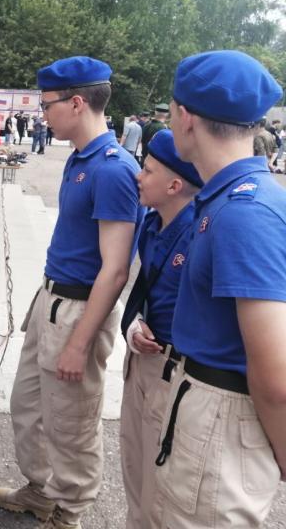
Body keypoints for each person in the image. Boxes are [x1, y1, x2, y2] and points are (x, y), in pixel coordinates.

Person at [0, 56, 144, 529]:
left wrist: (80, 342)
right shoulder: (81, 159)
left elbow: (116, 269)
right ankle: (42, 491)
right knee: (30, 407)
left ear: (77, 103)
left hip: (79, 309)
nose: (43, 114)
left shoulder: (114, 170)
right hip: (52, 299)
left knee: (72, 422)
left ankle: (69, 511)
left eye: (48, 105)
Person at [155, 50, 286, 527]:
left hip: (222, 420)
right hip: (208, 408)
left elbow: (275, 376)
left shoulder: (243, 213)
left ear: (185, 118)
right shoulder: (234, 197)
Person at [119, 129, 202, 529]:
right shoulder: (151, 223)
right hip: (144, 360)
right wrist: (132, 325)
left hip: (176, 371)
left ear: (174, 185)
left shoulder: (201, 232)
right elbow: (141, 289)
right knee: (134, 463)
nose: (138, 175)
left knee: (161, 481)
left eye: (147, 170)